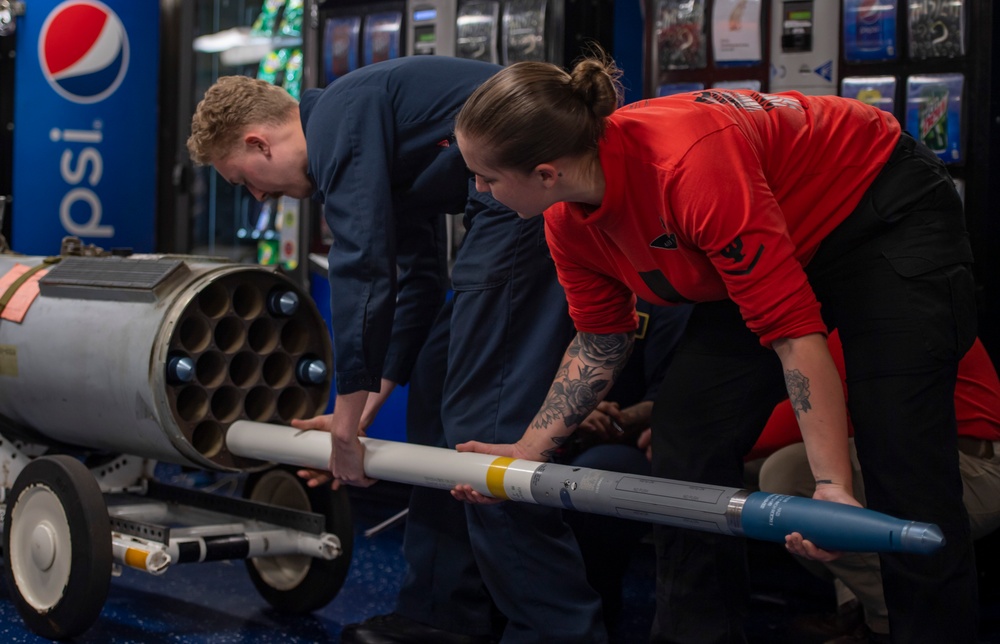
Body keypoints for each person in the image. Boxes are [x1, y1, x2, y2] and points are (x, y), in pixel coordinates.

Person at [451, 52, 978, 643]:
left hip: (877, 205)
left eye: (488, 177)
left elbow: (792, 333)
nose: (479, 189)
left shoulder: (685, 168)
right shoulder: (567, 221)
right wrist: (528, 449)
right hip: (772, 226)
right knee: (687, 429)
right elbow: (602, 337)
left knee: (900, 447)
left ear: (546, 172)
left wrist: (831, 487)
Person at [187, 56, 604, 643]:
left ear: (259, 142)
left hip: (526, 205)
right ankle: (440, 614)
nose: (259, 196)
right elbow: (417, 278)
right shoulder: (361, 126)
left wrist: (345, 426)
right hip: (503, 216)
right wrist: (369, 402)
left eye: (245, 181)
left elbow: (363, 268)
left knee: (484, 432)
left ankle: (556, 633)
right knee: (435, 391)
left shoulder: (337, 118)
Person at [749, 332, 1000, 643]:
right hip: (920, 455)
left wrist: (705, 446)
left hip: (975, 465)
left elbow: (814, 407)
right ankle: (857, 605)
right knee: (787, 472)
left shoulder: (876, 315)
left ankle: (887, 624)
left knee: (787, 475)